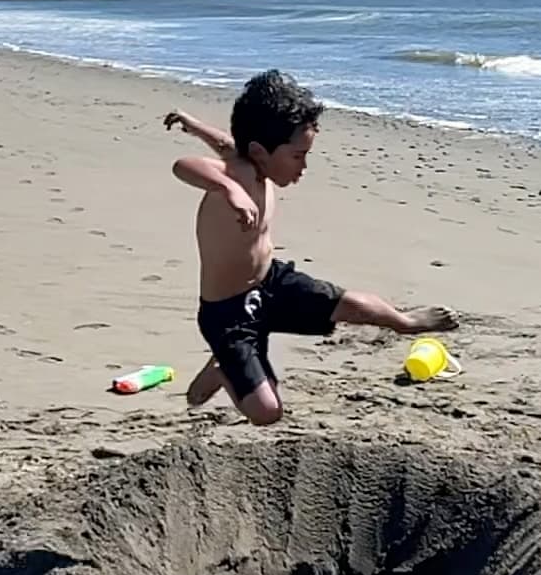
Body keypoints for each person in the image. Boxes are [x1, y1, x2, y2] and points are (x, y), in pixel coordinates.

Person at [167, 70, 457, 426]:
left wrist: (195, 126)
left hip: (271, 283)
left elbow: (228, 144)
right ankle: (222, 370)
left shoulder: (249, 159)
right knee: (267, 413)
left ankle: (404, 321)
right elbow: (184, 165)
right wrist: (230, 191)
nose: (303, 166)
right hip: (228, 315)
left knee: (349, 304)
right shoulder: (234, 176)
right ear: (260, 152)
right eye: (298, 155)